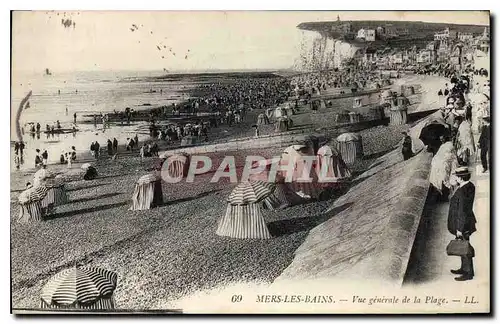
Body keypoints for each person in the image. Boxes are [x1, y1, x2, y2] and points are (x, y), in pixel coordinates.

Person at [447, 167, 477, 281]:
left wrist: (459, 228)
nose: (455, 178)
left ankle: (468, 273)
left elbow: (461, 212)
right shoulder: (470, 186)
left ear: (460, 178)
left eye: (456, 176)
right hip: (468, 221)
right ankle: (464, 268)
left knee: (465, 246)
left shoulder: (461, 192)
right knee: (464, 245)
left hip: (463, 224)